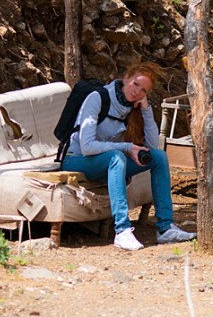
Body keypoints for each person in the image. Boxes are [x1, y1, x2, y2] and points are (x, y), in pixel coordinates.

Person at [60, 62, 196, 250]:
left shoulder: (134, 107)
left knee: (158, 156)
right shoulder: (98, 98)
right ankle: (122, 231)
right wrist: (126, 147)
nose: (137, 92)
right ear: (125, 79)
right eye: (135, 84)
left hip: (105, 162)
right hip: (75, 158)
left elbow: (151, 146)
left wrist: (146, 111)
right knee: (117, 156)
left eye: (143, 90)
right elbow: (87, 146)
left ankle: (165, 228)